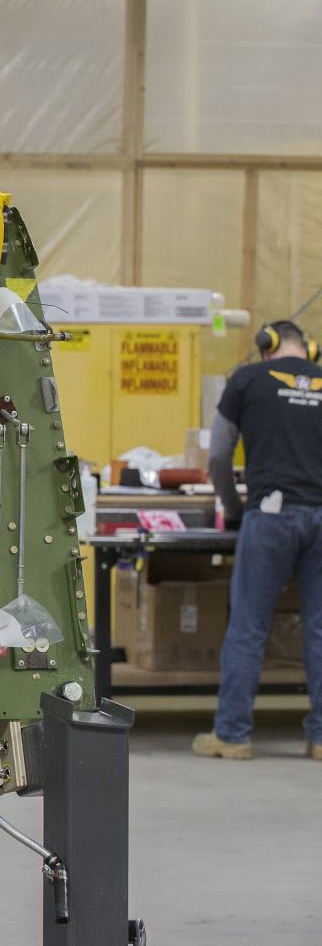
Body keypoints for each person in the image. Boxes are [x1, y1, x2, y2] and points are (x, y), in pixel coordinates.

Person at [195, 320, 322, 760]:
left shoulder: (247, 379)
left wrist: (232, 508)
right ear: (308, 348)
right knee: (320, 629)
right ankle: (321, 738)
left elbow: (217, 456)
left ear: (265, 343)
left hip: (270, 514)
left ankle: (232, 736)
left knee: (249, 627)